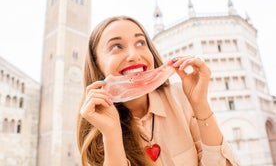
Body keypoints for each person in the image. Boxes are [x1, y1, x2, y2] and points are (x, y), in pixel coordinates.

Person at [77, 15, 239, 166]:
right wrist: (111, 134)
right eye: (117, 46)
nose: (134, 55)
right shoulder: (96, 124)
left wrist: (200, 104)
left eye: (140, 43)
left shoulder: (180, 97)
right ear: (97, 65)